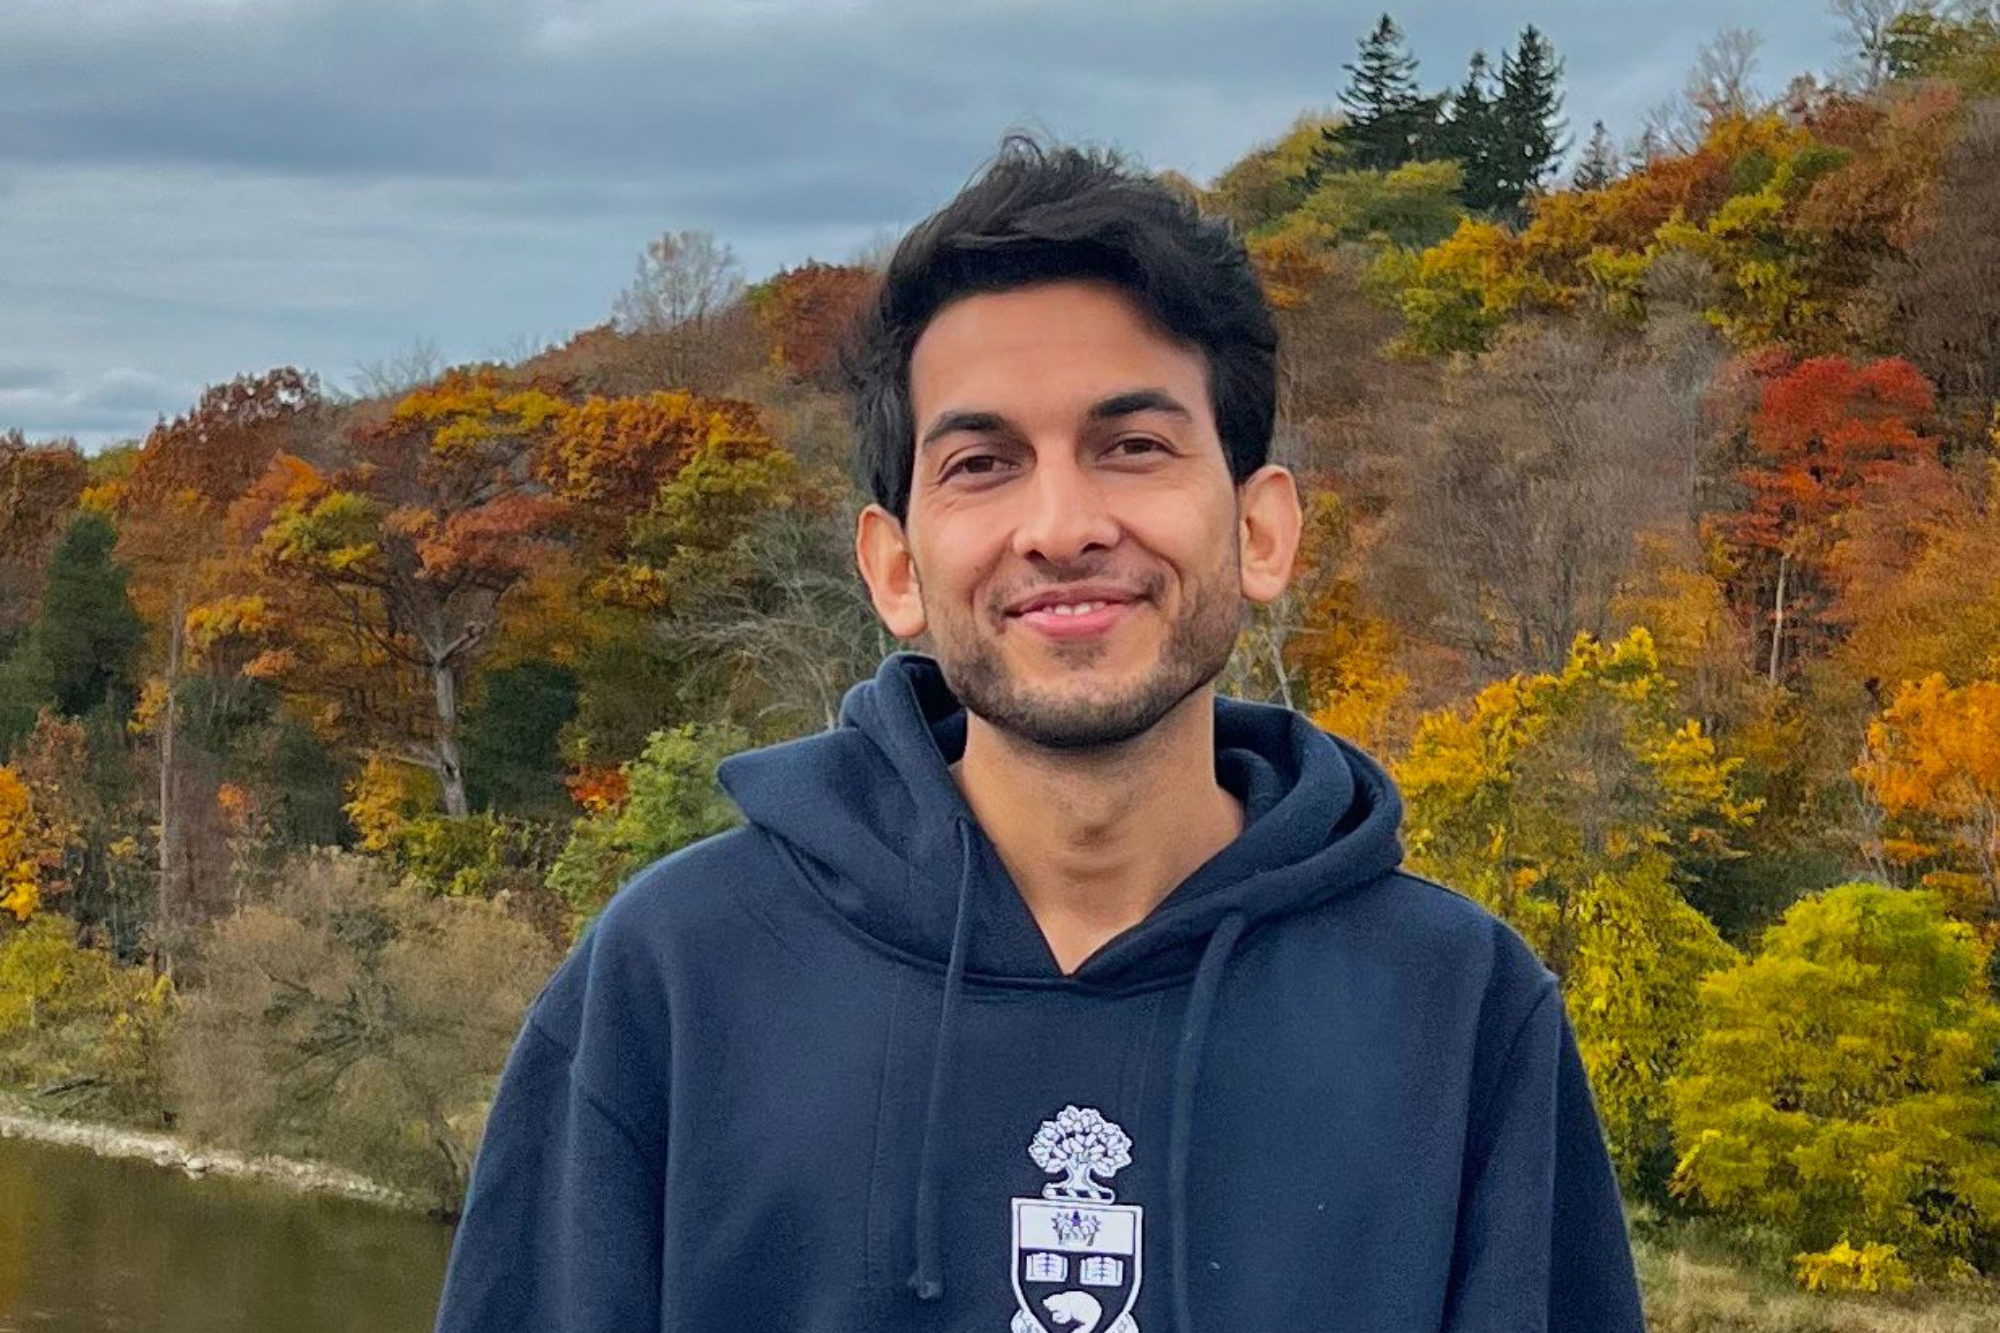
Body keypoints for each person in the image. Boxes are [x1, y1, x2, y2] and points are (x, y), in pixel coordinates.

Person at [432, 136, 1647, 1333]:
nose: (1061, 526)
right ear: (894, 567)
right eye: (981, 463)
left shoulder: (1459, 1017)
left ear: (1259, 531)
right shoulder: (675, 981)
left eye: (1133, 447)